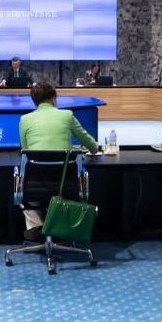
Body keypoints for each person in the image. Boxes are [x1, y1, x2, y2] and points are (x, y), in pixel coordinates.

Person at [18, 82, 99, 240]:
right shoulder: (67, 115)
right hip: (66, 185)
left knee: (24, 194)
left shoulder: (24, 120)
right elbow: (92, 146)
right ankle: (58, 230)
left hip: (35, 185)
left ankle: (38, 230)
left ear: (34, 101)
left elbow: (25, 151)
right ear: (54, 98)